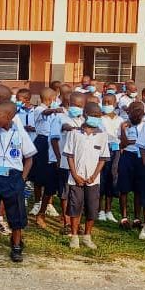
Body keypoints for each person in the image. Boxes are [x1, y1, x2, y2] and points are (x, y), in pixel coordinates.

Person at [0, 102, 36, 262]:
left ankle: (16, 246)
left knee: (16, 213)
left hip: (14, 177)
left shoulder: (21, 135)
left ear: (9, 116)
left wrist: (22, 179)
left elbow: (29, 158)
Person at [63, 102, 110, 249]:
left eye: (98, 116)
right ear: (85, 115)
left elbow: (103, 158)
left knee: (92, 208)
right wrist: (75, 174)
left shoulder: (102, 135)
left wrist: (94, 175)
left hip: (93, 180)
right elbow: (70, 156)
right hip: (76, 178)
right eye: (93, 115)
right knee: (75, 206)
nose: (96, 118)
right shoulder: (74, 133)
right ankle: (74, 236)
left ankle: (87, 236)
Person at [48, 92, 86, 234]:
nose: (77, 108)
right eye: (74, 105)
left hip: (80, 164)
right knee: (65, 193)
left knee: (78, 195)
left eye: (80, 105)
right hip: (64, 162)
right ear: (69, 104)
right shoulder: (60, 118)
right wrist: (58, 158)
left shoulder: (85, 120)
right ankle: (67, 222)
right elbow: (54, 139)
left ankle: (77, 222)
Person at [29, 88, 62, 216]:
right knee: (39, 174)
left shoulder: (55, 111)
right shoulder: (39, 109)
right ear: (51, 99)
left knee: (51, 172)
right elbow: (46, 112)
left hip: (53, 142)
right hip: (42, 142)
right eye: (55, 98)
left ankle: (48, 203)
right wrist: (54, 110)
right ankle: (37, 203)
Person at [117, 101, 145, 230]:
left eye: (139, 111)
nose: (136, 114)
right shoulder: (124, 124)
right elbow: (123, 144)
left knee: (138, 189)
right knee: (124, 188)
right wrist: (123, 130)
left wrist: (132, 142)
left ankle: (137, 218)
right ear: (129, 112)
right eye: (134, 111)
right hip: (127, 156)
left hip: (140, 157)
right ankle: (124, 218)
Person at [98, 93, 122, 223]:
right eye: (104, 103)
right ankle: (100, 210)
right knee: (102, 178)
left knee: (112, 177)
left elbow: (121, 137)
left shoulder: (120, 120)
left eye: (109, 103)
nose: (106, 105)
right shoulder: (100, 119)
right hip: (103, 151)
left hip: (116, 150)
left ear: (115, 104)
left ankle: (108, 210)